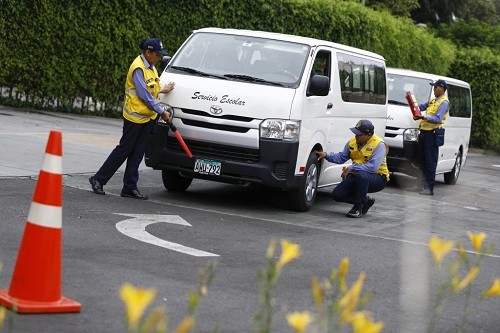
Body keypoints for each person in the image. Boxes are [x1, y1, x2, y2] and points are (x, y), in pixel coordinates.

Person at [89, 38, 175, 200]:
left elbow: (151, 90)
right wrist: (161, 111)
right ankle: (98, 179)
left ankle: (129, 187)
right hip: (134, 118)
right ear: (147, 53)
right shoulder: (138, 68)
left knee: (137, 153)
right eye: (157, 54)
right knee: (124, 150)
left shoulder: (151, 67)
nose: (159, 58)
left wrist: (163, 90)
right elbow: (143, 95)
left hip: (147, 118)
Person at [315, 120, 390, 218]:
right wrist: (326, 155)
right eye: (355, 133)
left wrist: (351, 167)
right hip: (358, 175)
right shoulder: (352, 142)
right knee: (337, 195)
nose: (356, 136)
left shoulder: (379, 145)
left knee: (362, 175)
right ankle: (365, 200)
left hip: (378, 178)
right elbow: (341, 157)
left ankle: (358, 208)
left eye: (359, 134)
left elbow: (372, 167)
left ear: (369, 135)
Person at [406, 79, 449, 196]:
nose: (434, 89)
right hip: (424, 133)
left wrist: (422, 117)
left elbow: (438, 119)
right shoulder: (433, 100)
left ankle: (429, 188)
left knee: (430, 162)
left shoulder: (444, 103)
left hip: (432, 134)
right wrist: (412, 103)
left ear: (441, 88)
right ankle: (419, 184)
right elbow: (420, 107)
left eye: (435, 87)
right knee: (421, 161)